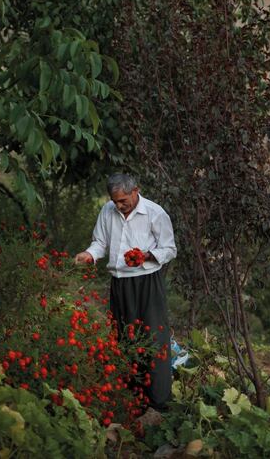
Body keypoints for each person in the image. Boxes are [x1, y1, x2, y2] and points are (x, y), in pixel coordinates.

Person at [74, 173, 176, 412]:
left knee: (153, 339)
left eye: (123, 201)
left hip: (147, 282)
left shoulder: (155, 213)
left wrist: (148, 255)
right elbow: (100, 242)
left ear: (135, 191)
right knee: (124, 339)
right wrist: (89, 254)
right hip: (119, 283)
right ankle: (132, 399)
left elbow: (170, 249)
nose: (118, 205)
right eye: (115, 200)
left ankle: (159, 403)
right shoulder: (107, 211)